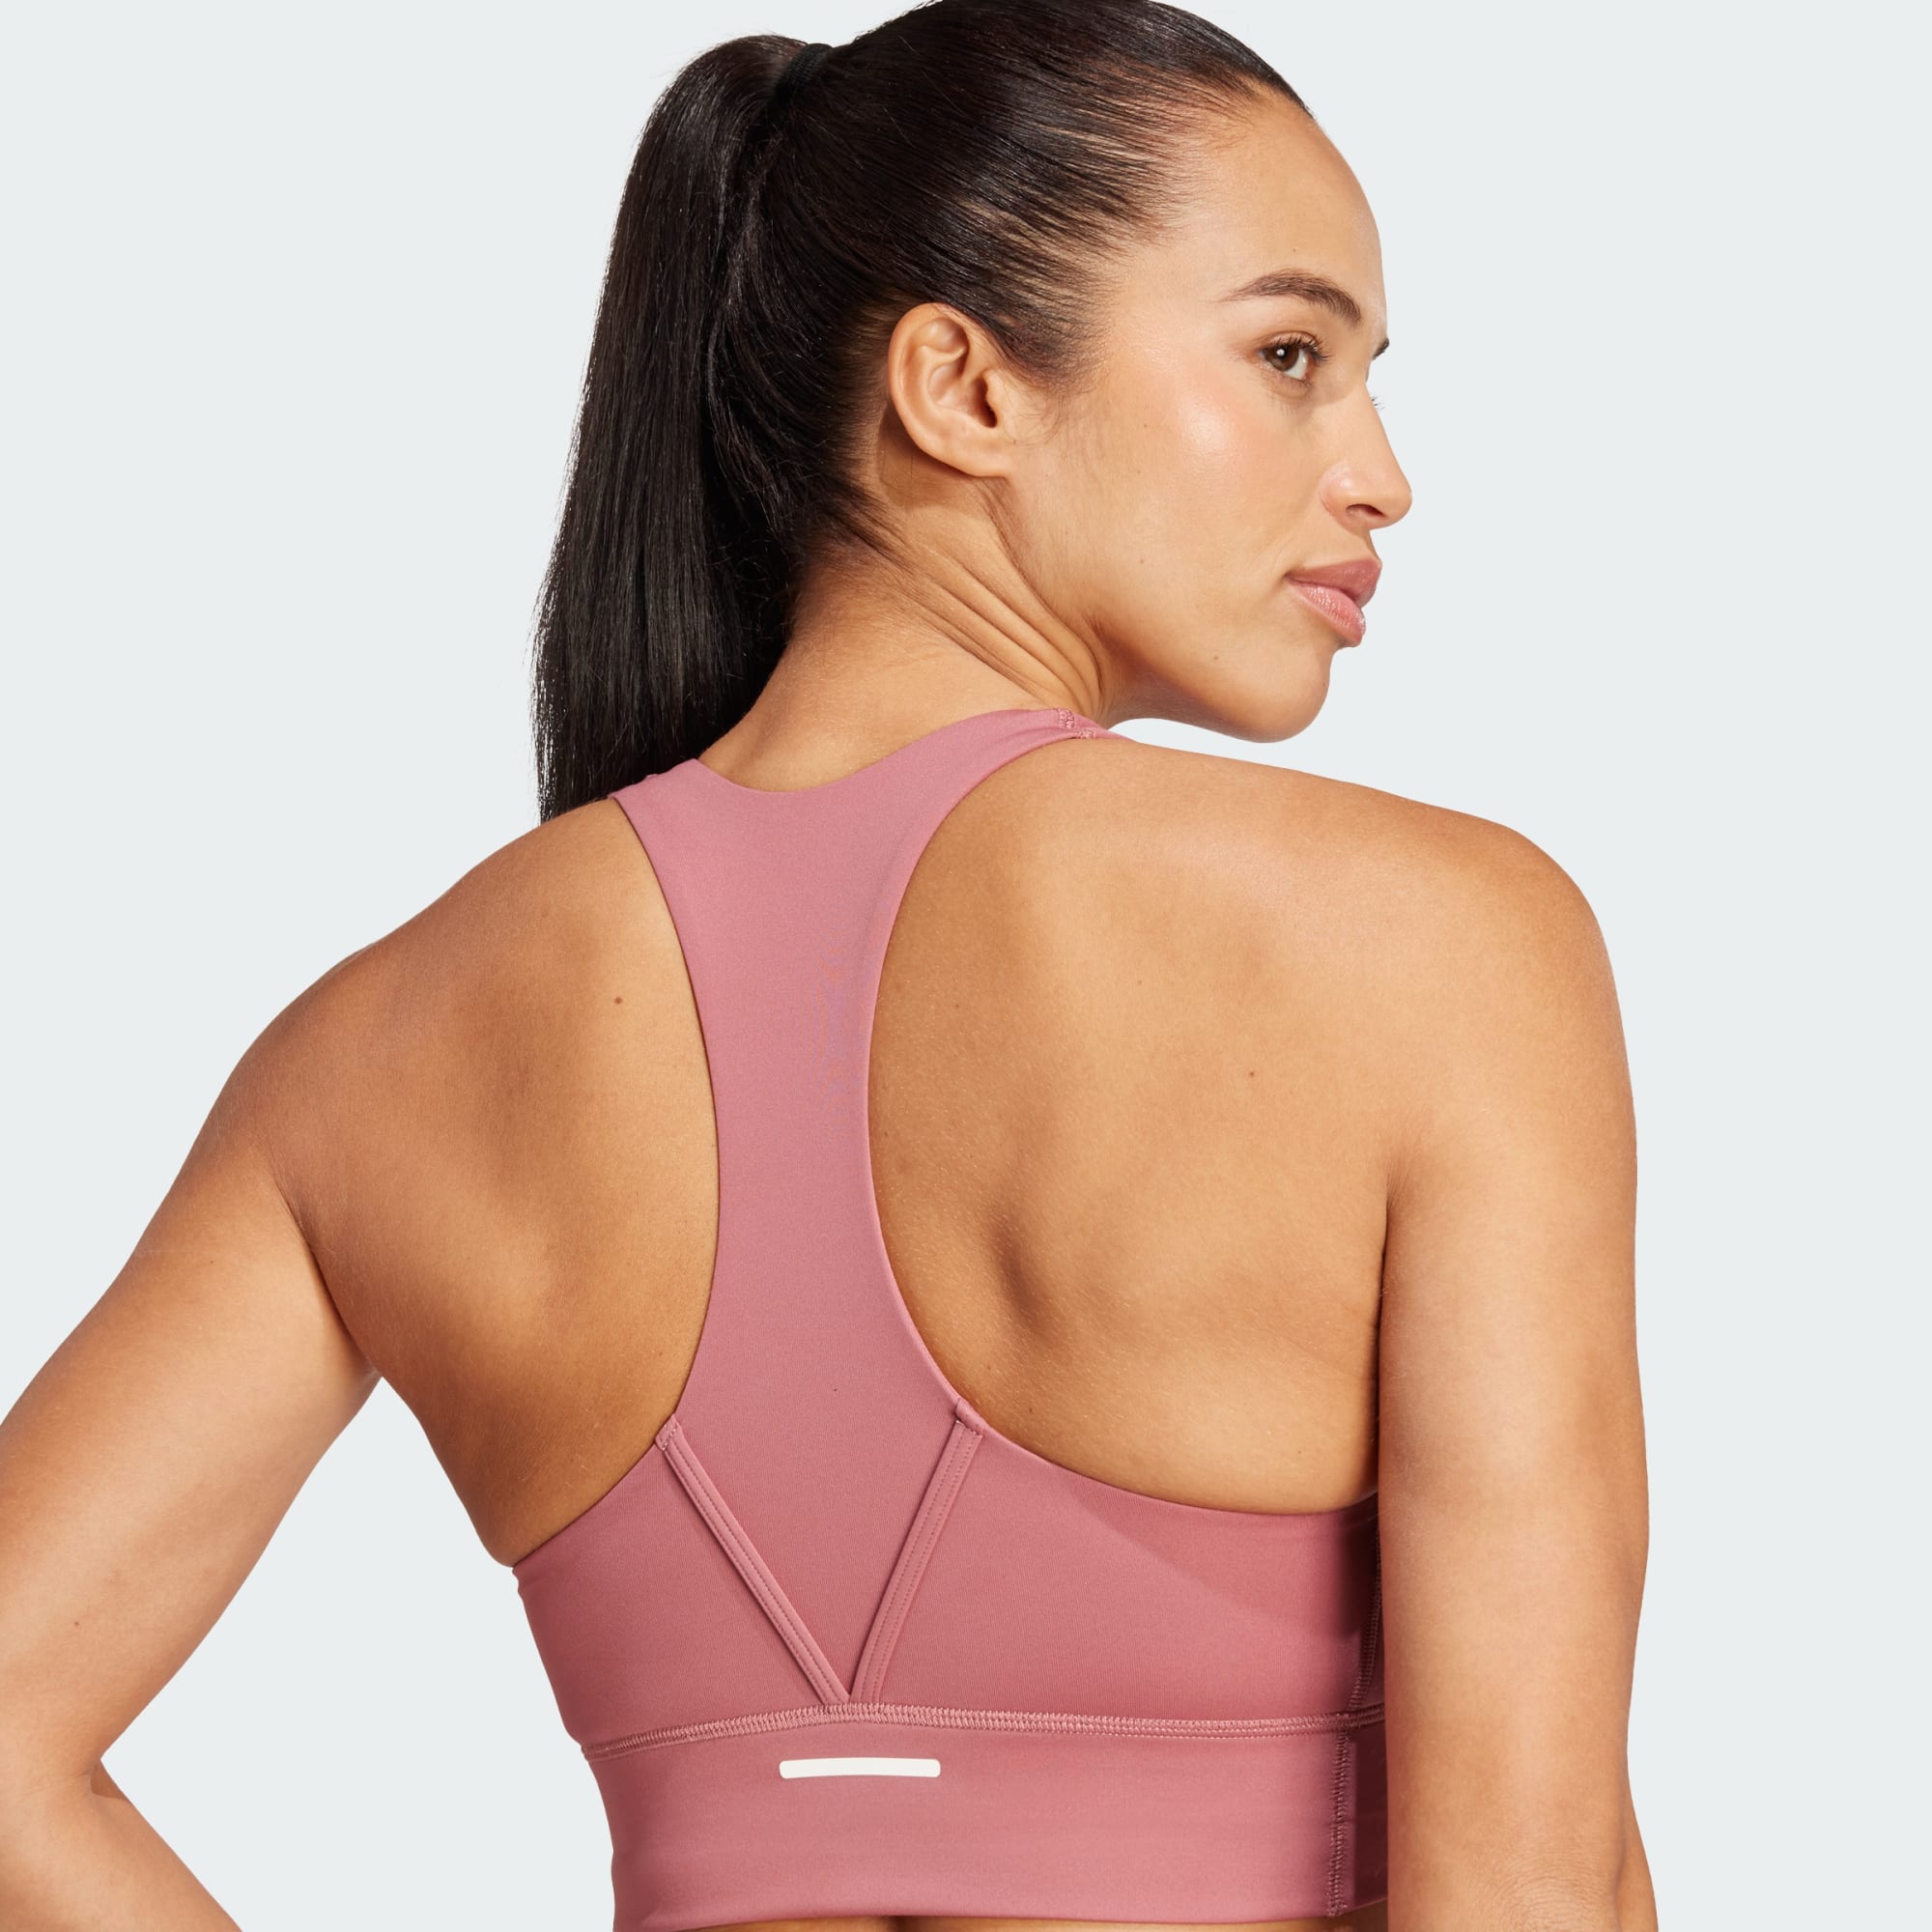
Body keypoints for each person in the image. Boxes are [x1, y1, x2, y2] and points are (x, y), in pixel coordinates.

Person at [0, 2, 1656, 1927]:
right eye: (1290, 356)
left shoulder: (376, 1050)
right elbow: (1527, 1889)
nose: (1378, 475)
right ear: (962, 386)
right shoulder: (1444, 945)